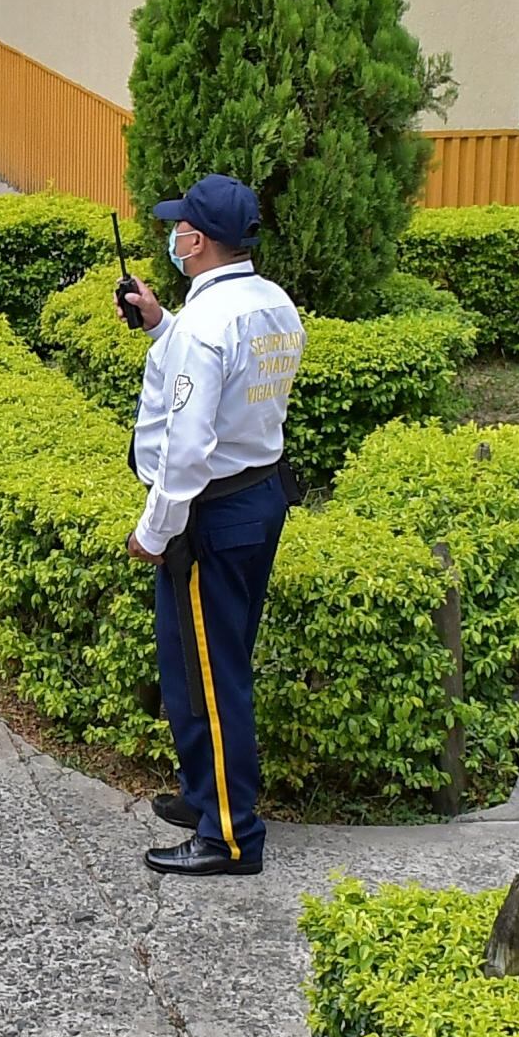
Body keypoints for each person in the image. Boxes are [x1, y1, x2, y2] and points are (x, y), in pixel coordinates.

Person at [117, 175, 304, 877]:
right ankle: (206, 796)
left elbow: (187, 449)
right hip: (258, 501)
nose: (174, 235)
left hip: (210, 518)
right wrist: (160, 326)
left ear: (195, 240)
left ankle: (228, 835)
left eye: (179, 228)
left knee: (209, 680)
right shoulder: (272, 304)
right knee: (211, 665)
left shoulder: (206, 326)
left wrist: (154, 530)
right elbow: (227, 390)